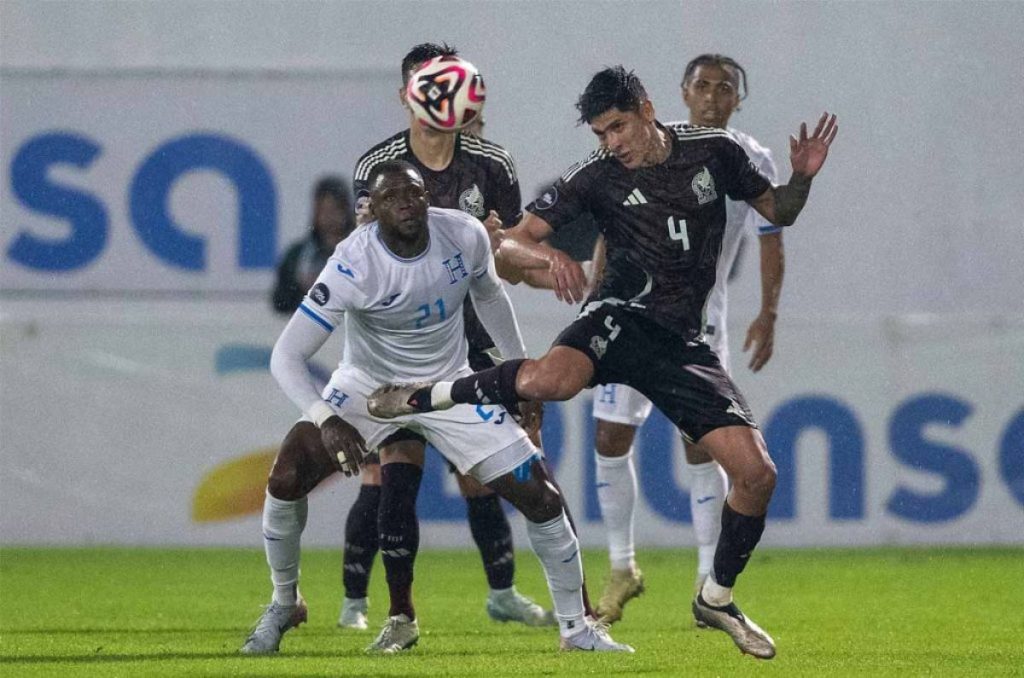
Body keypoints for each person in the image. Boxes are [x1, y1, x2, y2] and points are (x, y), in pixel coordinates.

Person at [368, 66, 838, 660]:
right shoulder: (595, 177)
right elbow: (508, 239)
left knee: (757, 476)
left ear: (645, 108)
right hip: (619, 316)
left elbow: (782, 211)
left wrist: (803, 175)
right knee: (547, 381)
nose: (611, 142)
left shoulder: (715, 152)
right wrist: (545, 256)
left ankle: (714, 597)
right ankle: (425, 395)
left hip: (681, 342)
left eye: (617, 126)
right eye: (600, 133)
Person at [240, 161, 632, 655]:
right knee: (287, 475)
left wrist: (517, 378)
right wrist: (328, 418)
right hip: (368, 386)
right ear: (373, 211)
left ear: (428, 197)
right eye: (391, 197)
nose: (406, 203)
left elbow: (491, 299)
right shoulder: (353, 261)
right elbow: (286, 355)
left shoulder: (463, 234)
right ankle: (284, 603)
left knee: (543, 496)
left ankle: (576, 630)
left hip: (450, 387)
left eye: (414, 193)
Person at [337, 42, 554, 633]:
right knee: (392, 473)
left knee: (494, 474)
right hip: (401, 342)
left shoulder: (492, 163)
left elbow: (502, 263)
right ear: (406, 93)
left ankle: (511, 593)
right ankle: (376, 606)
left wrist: (509, 247)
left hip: (473, 343)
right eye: (424, 84)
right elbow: (369, 250)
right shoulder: (379, 165)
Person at [591, 54, 786, 626]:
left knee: (701, 442)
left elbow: (772, 237)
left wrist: (768, 312)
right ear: (682, 92)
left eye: (725, 88)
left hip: (701, 316)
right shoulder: (654, 146)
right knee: (609, 436)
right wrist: (597, 295)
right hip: (629, 310)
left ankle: (707, 577)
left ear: (738, 100)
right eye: (702, 85)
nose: (712, 95)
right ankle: (622, 565)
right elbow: (613, 224)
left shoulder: (751, 157)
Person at [272, 176, 355, 314]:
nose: (330, 217)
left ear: (346, 211)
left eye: (335, 210)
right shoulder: (296, 255)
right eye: (324, 211)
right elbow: (280, 302)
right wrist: (302, 289)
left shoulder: (361, 252)